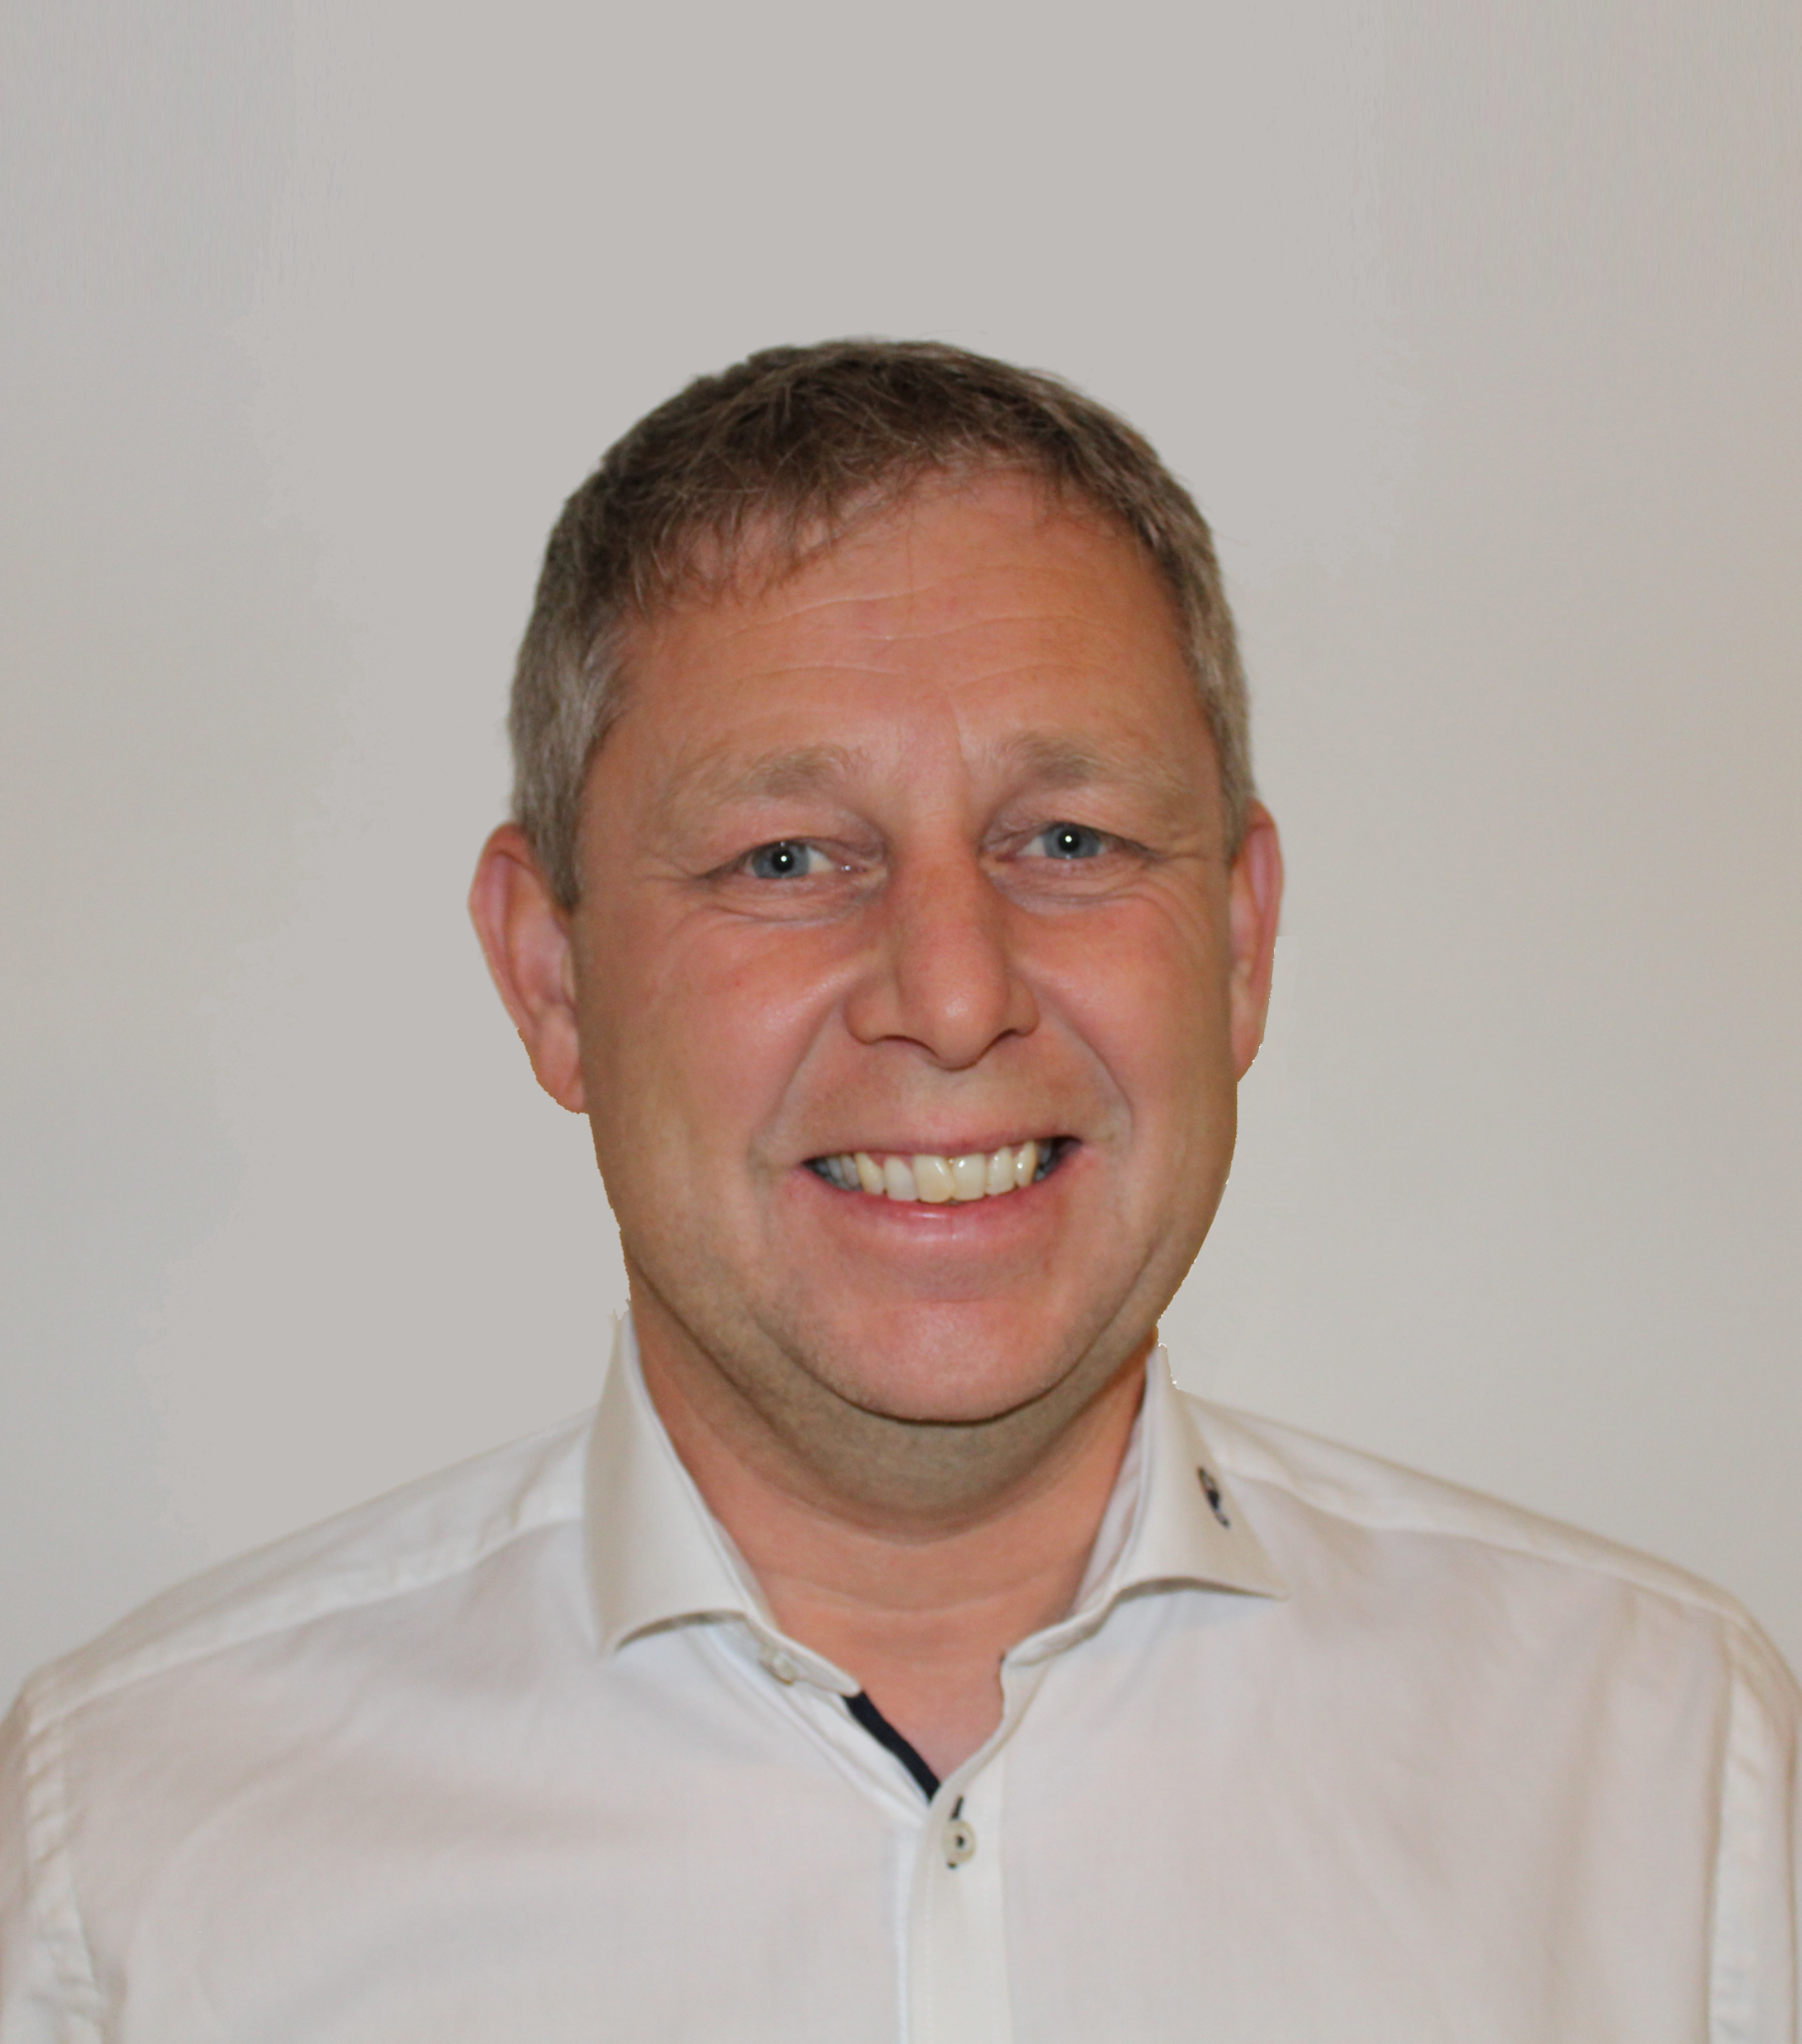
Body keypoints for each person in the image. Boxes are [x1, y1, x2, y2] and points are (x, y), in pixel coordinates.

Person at [1, 340, 1795, 2042]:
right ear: (552, 978)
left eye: (1068, 841)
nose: (951, 995)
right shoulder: (139, 1847)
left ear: (1241, 944)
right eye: (786, 857)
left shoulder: (1655, 1770)